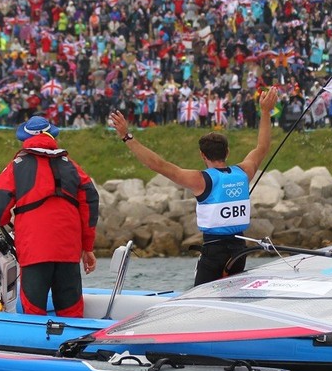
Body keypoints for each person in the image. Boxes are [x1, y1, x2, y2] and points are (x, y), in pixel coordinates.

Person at [109, 87, 279, 286]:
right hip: (240, 250)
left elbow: (158, 165)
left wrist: (127, 137)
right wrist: (266, 112)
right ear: (227, 151)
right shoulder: (244, 172)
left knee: (202, 302)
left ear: (202, 155)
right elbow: (262, 147)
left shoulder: (201, 180)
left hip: (214, 252)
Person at [0, 116, 99, 318]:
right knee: (71, 311)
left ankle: (34, 346)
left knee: (33, 312)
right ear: (52, 136)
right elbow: (90, 201)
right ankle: (74, 345)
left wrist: (4, 221)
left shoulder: (15, 166)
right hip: (68, 250)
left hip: (34, 250)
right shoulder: (72, 166)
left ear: (24, 139)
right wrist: (88, 247)